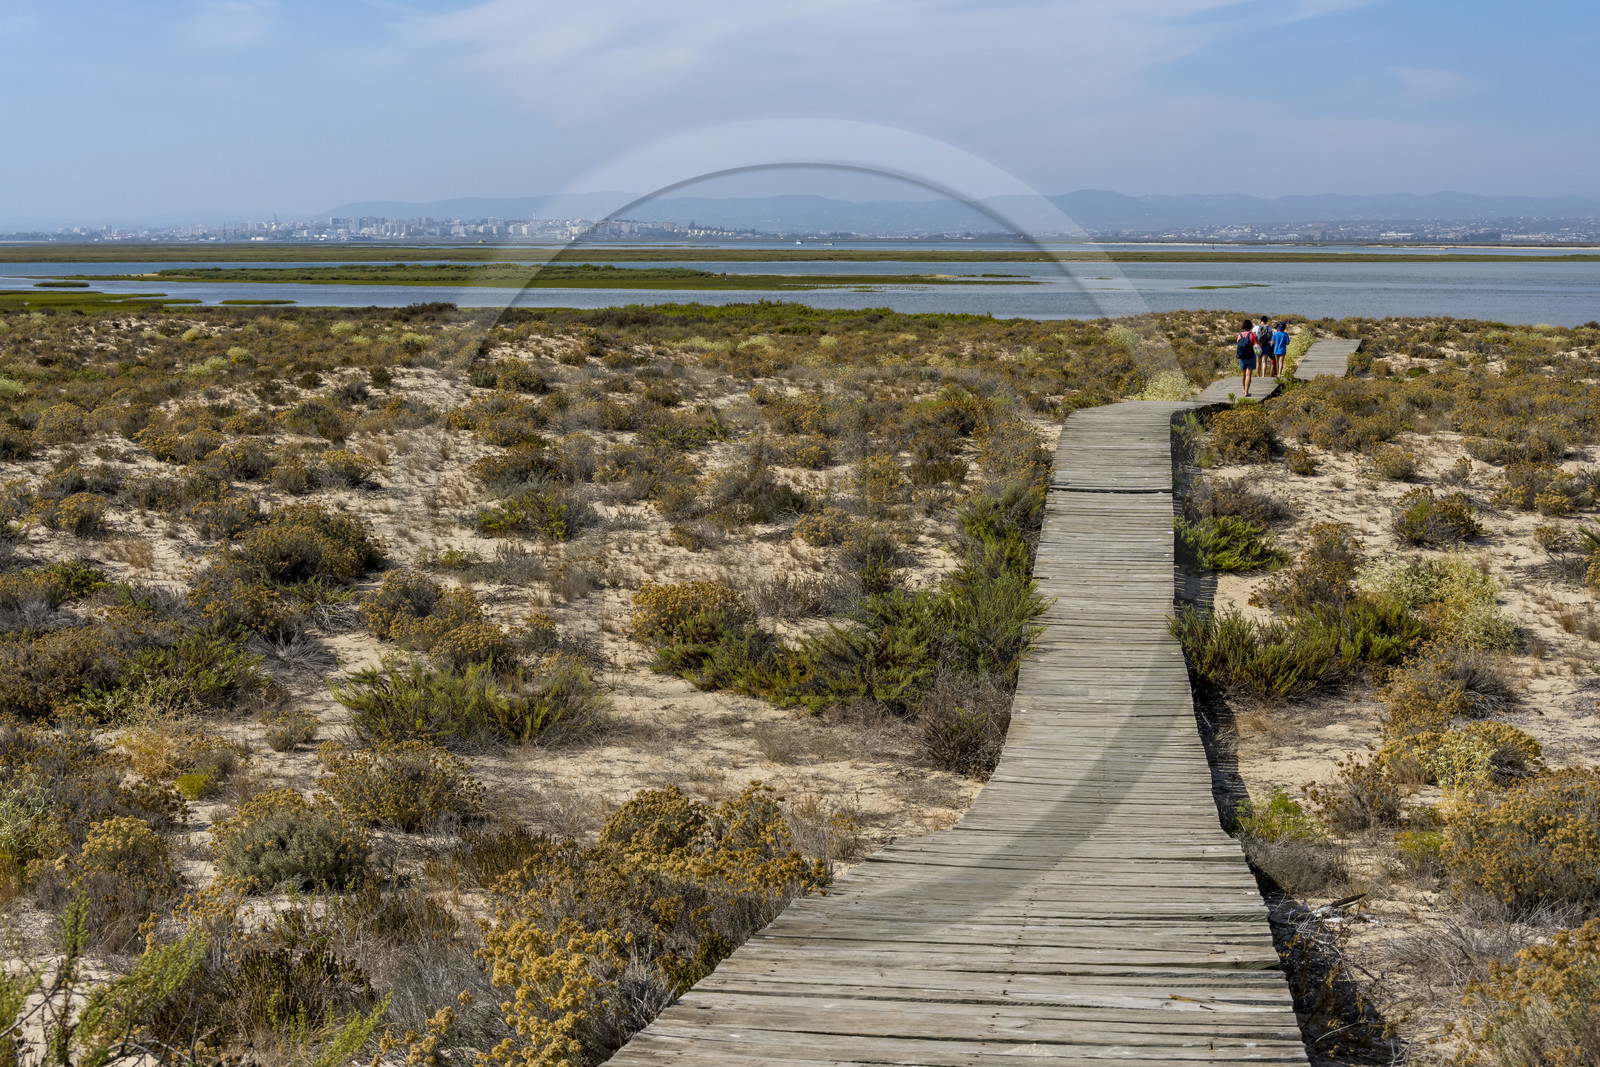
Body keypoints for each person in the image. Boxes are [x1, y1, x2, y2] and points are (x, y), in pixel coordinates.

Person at [1235, 319, 1257, 397]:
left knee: (1243, 374)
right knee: (1248, 375)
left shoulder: (1240, 335)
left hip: (1241, 356)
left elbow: (1238, 343)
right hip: (1250, 355)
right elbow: (1256, 344)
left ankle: (1244, 389)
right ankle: (1246, 392)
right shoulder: (1252, 334)